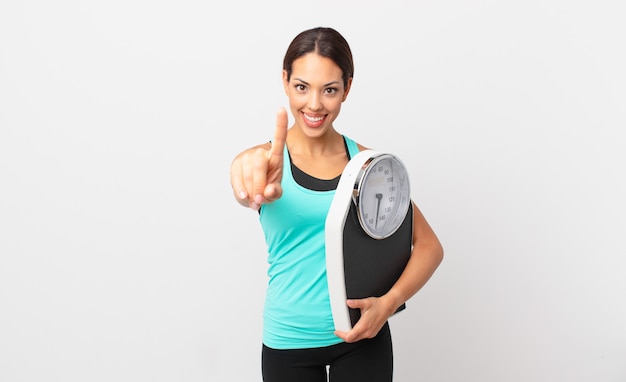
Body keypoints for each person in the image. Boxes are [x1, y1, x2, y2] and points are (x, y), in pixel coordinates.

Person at [229, 26, 443, 382]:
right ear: (285, 80)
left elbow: (429, 246)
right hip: (288, 342)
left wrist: (388, 304)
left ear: (347, 88)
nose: (314, 104)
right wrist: (246, 178)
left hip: (363, 338)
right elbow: (243, 181)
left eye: (329, 90)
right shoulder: (264, 161)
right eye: (302, 87)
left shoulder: (370, 167)